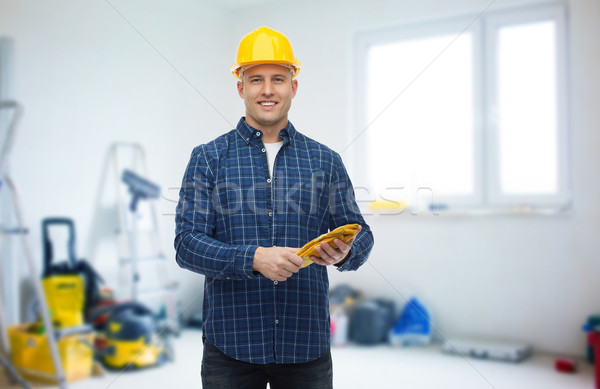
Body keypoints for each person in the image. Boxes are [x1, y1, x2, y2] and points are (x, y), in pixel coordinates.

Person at [174, 26, 374, 389]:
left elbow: (362, 234)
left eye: (278, 79)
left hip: (305, 345)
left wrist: (345, 251)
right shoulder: (208, 158)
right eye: (256, 80)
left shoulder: (324, 160)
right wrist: (253, 258)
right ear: (241, 87)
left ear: (293, 86)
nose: (268, 90)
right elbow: (187, 244)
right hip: (231, 345)